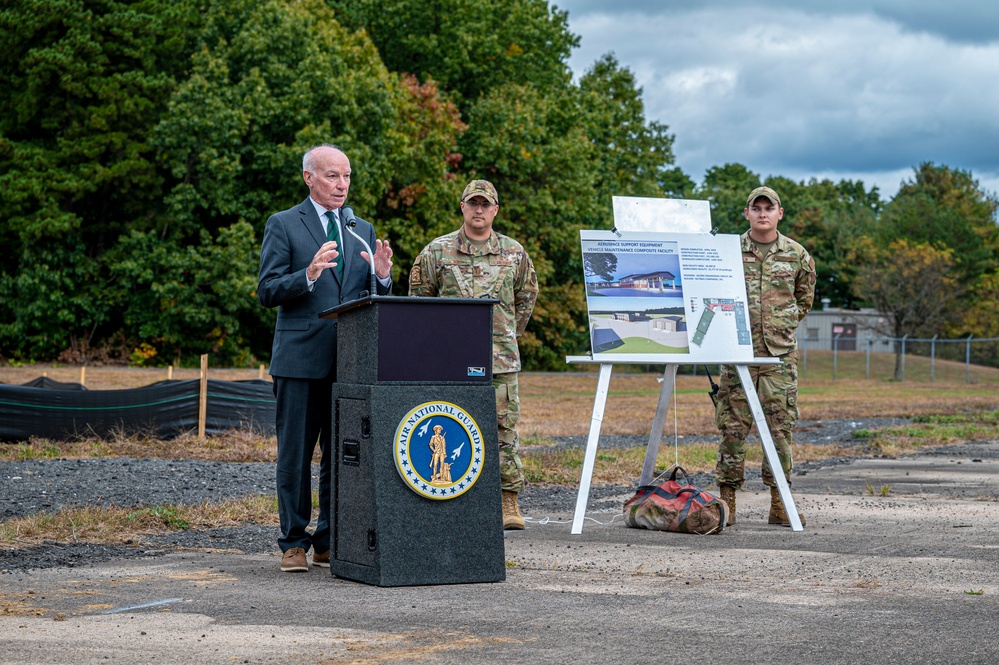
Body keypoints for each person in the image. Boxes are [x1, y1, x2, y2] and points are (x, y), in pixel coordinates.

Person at [258, 144, 393, 572]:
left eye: (347, 176)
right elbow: (267, 290)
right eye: (332, 176)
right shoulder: (283, 225)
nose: (342, 185)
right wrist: (308, 275)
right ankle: (293, 543)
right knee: (296, 456)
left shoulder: (360, 229)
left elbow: (369, 297)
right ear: (309, 178)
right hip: (299, 361)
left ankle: (329, 540)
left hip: (349, 363)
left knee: (343, 455)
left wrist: (384, 278)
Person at [409, 179, 538, 530]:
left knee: (503, 430)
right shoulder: (438, 252)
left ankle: (507, 499)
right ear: (463, 207)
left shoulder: (514, 252)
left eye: (485, 204)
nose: (479, 210)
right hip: (448, 361)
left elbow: (526, 299)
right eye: (473, 203)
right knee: (449, 427)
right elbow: (419, 302)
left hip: (500, 359)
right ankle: (450, 497)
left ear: (495, 209)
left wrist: (505, 333)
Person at [715, 186, 816, 527]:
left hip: (780, 356)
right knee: (732, 426)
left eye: (768, 208)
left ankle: (779, 501)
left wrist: (778, 326)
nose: (762, 213)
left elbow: (804, 301)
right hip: (737, 351)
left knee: (780, 428)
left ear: (779, 213)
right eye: (755, 208)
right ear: (746, 213)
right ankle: (726, 500)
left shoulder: (797, 255)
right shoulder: (727, 252)